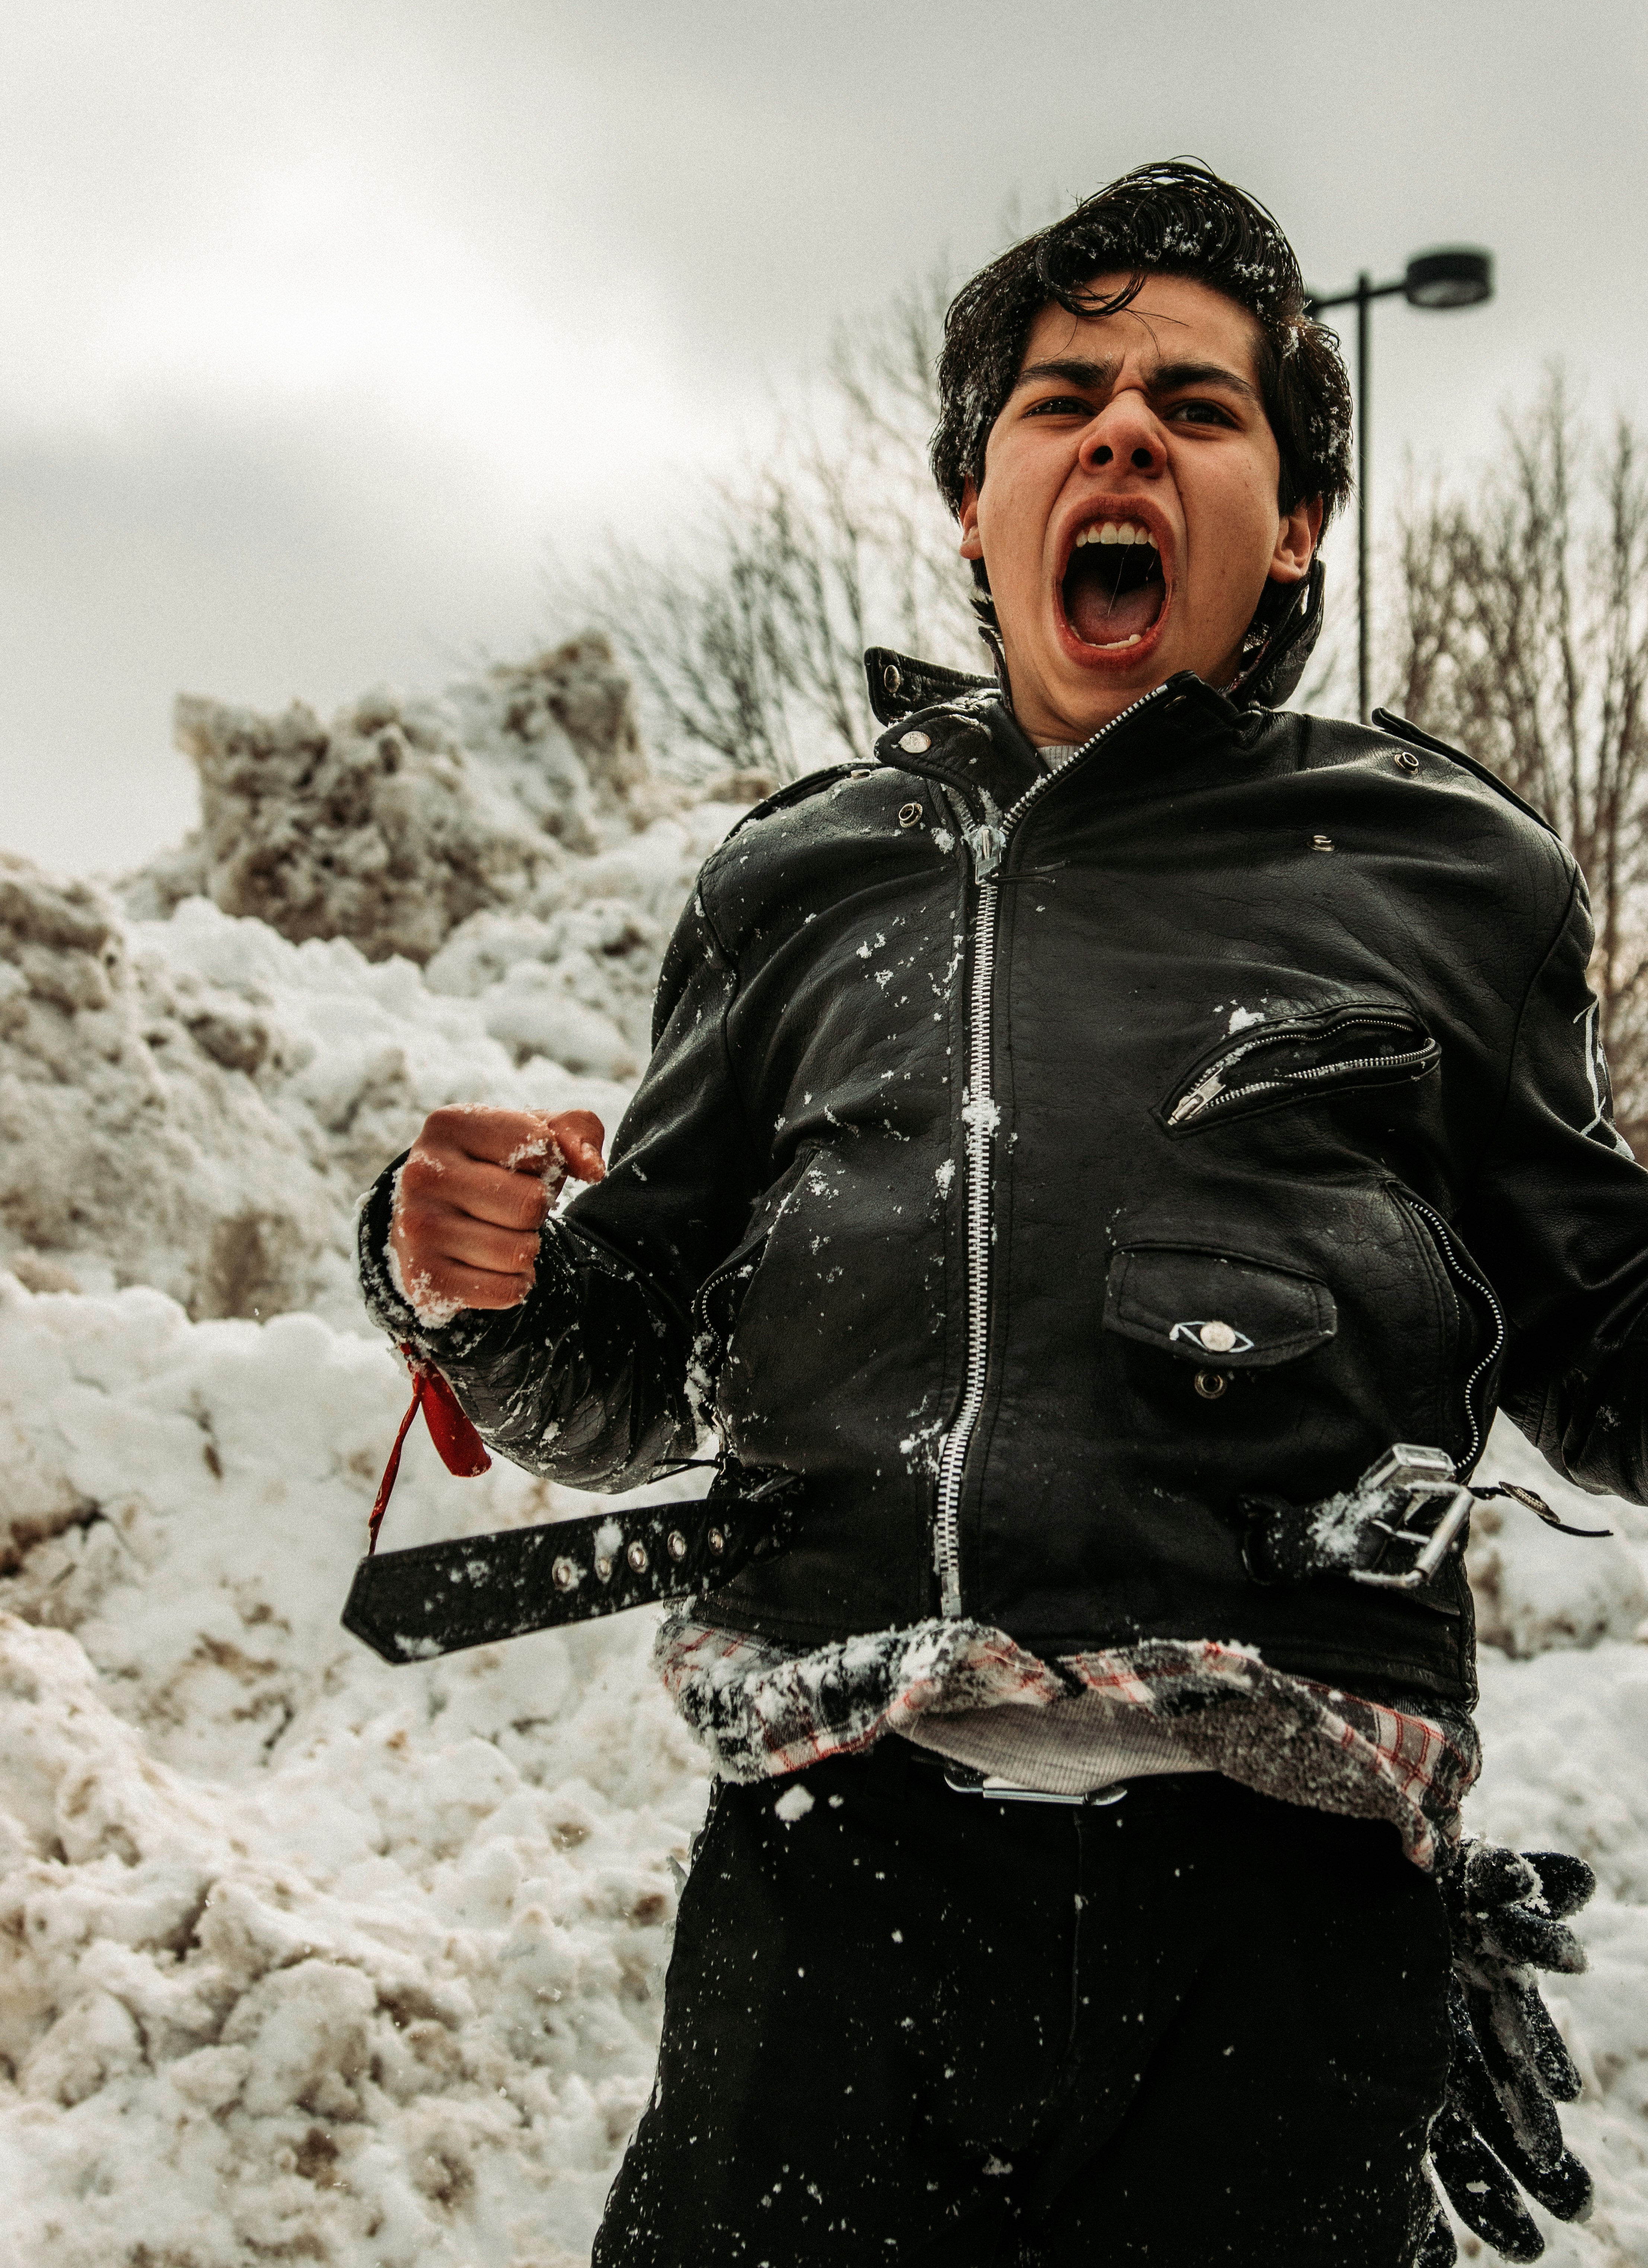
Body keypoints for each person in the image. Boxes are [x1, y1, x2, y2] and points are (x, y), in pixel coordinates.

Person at [357, 164, 1646, 2265]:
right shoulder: (798, 882)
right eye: (1063, 399)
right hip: (830, 1901)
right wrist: (463, 1273)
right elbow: (621, 1365)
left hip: (1281, 1927)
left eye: (1199, 407)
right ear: (978, 503)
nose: (1123, 431)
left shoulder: (1448, 873)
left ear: (1296, 521)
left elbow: (1607, 1331)